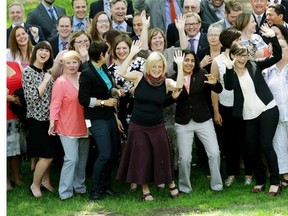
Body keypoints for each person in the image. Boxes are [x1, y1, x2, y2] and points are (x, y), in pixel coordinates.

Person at [116, 41, 184, 201]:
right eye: (154, 66)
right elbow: (122, 71)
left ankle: (171, 183)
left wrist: (180, 66)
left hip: (156, 125)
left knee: (163, 154)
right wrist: (131, 53)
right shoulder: (139, 77)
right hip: (138, 125)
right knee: (142, 157)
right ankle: (145, 189)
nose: (157, 69)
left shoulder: (166, 82)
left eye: (160, 67)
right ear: (148, 66)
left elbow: (179, 85)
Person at [223, 24, 282, 196]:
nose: (242, 59)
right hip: (248, 115)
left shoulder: (255, 65)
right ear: (232, 55)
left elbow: (277, 55)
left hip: (267, 110)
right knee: (251, 148)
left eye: (244, 55)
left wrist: (272, 37)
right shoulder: (231, 73)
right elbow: (228, 86)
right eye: (238, 55)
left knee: (265, 145)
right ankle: (260, 180)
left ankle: (275, 182)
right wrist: (228, 68)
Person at [168, 50, 223, 193]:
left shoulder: (202, 74)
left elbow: (219, 89)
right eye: (186, 60)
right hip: (183, 122)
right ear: (179, 62)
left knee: (214, 153)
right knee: (184, 158)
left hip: (203, 119)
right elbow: (164, 101)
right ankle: (185, 188)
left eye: (192, 60)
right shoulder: (173, 79)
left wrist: (215, 83)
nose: (189, 63)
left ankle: (217, 185)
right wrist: (173, 97)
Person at [78, 41, 121, 201]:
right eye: (107, 52)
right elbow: (83, 99)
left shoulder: (102, 68)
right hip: (96, 118)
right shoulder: (87, 72)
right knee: (104, 153)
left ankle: (106, 186)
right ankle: (95, 190)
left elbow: (105, 87)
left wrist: (113, 91)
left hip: (109, 115)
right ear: (101, 55)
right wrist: (104, 102)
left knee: (113, 153)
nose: (108, 55)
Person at [211, 28, 253, 187]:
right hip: (226, 106)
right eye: (238, 39)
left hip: (245, 105)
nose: (240, 41)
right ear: (230, 41)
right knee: (230, 142)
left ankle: (249, 173)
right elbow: (214, 87)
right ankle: (231, 173)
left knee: (247, 140)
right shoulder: (218, 61)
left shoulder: (245, 55)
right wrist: (216, 111)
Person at [48, 51, 90, 200]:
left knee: (82, 159)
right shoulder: (60, 82)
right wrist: (52, 121)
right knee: (71, 159)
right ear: (63, 65)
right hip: (67, 125)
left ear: (79, 63)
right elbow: (55, 103)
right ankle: (65, 192)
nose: (72, 65)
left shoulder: (83, 77)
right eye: (68, 63)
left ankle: (80, 187)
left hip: (84, 124)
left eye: (75, 62)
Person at [22, 41, 58, 198]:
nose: (44, 53)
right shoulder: (28, 72)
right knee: (47, 154)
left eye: (47, 51)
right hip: (36, 119)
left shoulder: (47, 72)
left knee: (47, 153)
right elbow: (31, 98)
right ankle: (34, 185)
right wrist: (45, 80)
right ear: (35, 52)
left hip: (49, 119)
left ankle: (46, 181)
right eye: (41, 50)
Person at [263, 37, 288, 188]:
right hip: (276, 115)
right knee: (280, 146)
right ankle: (286, 176)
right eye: (275, 47)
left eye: (283, 46)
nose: (280, 49)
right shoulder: (267, 71)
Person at [6, 61, 25, 190]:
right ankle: (5, 180)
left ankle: (17, 178)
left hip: (17, 113)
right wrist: (8, 97)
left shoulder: (15, 64)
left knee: (16, 149)